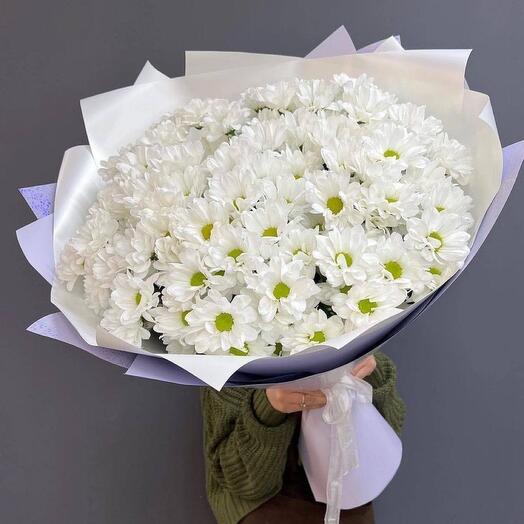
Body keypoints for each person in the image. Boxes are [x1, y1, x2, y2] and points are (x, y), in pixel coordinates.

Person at [201, 351, 405, 524]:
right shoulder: (226, 354)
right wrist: (267, 407)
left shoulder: (342, 315)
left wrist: (364, 371)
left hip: (348, 500)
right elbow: (244, 484)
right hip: (266, 509)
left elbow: (387, 437)